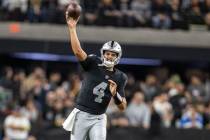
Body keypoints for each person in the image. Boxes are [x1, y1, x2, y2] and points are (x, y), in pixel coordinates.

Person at [62, 8, 128, 140]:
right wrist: (72, 29)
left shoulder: (120, 77)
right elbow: (78, 51)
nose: (109, 56)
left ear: (117, 57)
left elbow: (123, 107)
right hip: (81, 114)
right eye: (107, 53)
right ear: (103, 54)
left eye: (112, 54)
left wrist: (115, 95)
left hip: (99, 117)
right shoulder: (94, 63)